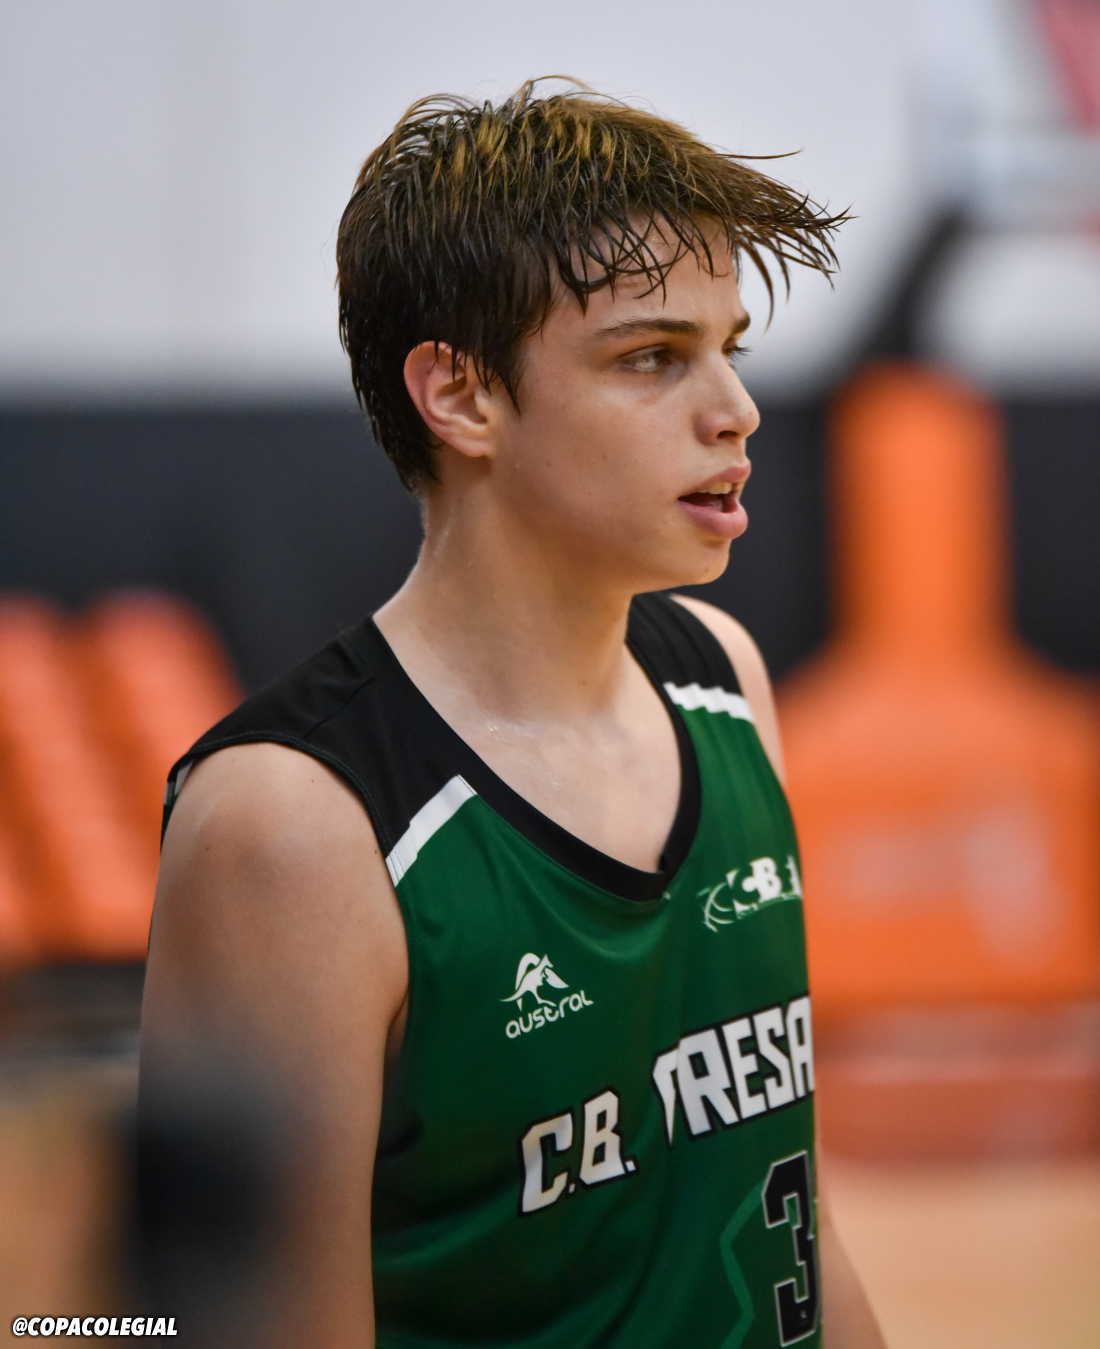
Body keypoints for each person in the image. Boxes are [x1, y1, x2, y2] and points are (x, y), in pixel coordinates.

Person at [141, 81, 886, 1347]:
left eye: (730, 348)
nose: (734, 408)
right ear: (460, 396)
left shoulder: (721, 677)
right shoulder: (289, 825)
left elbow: (785, 1199)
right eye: (651, 357)